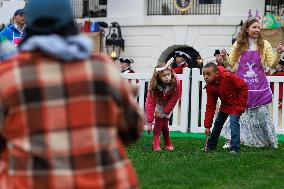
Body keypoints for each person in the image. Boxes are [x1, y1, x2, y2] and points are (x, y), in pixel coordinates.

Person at [0, 0, 144, 188]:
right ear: (70, 23)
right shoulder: (102, 69)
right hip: (105, 181)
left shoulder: (8, 76)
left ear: (30, 26)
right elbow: (132, 130)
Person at [221, 17, 284, 148]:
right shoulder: (238, 44)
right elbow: (230, 64)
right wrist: (224, 58)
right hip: (241, 86)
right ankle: (233, 140)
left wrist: (278, 54)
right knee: (240, 115)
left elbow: (271, 64)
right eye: (254, 27)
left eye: (258, 27)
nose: (257, 30)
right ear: (247, 29)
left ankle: (267, 141)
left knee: (262, 115)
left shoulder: (264, 44)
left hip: (259, 86)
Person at [203, 62, 248, 153]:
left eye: (208, 74)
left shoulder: (228, 76)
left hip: (236, 105)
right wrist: (207, 126)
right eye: (204, 74)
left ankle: (235, 148)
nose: (205, 77)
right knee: (217, 125)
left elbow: (243, 86)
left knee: (233, 124)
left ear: (216, 74)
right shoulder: (210, 86)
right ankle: (211, 146)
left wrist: (241, 105)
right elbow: (210, 106)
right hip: (225, 106)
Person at [145, 60, 181, 151]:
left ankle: (166, 141)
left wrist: (165, 111)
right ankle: (156, 143)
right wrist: (149, 122)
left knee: (165, 124)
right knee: (159, 122)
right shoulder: (154, 85)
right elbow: (150, 102)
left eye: (168, 74)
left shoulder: (176, 82)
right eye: (164, 76)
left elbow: (175, 98)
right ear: (158, 77)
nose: (167, 77)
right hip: (159, 103)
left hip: (168, 104)